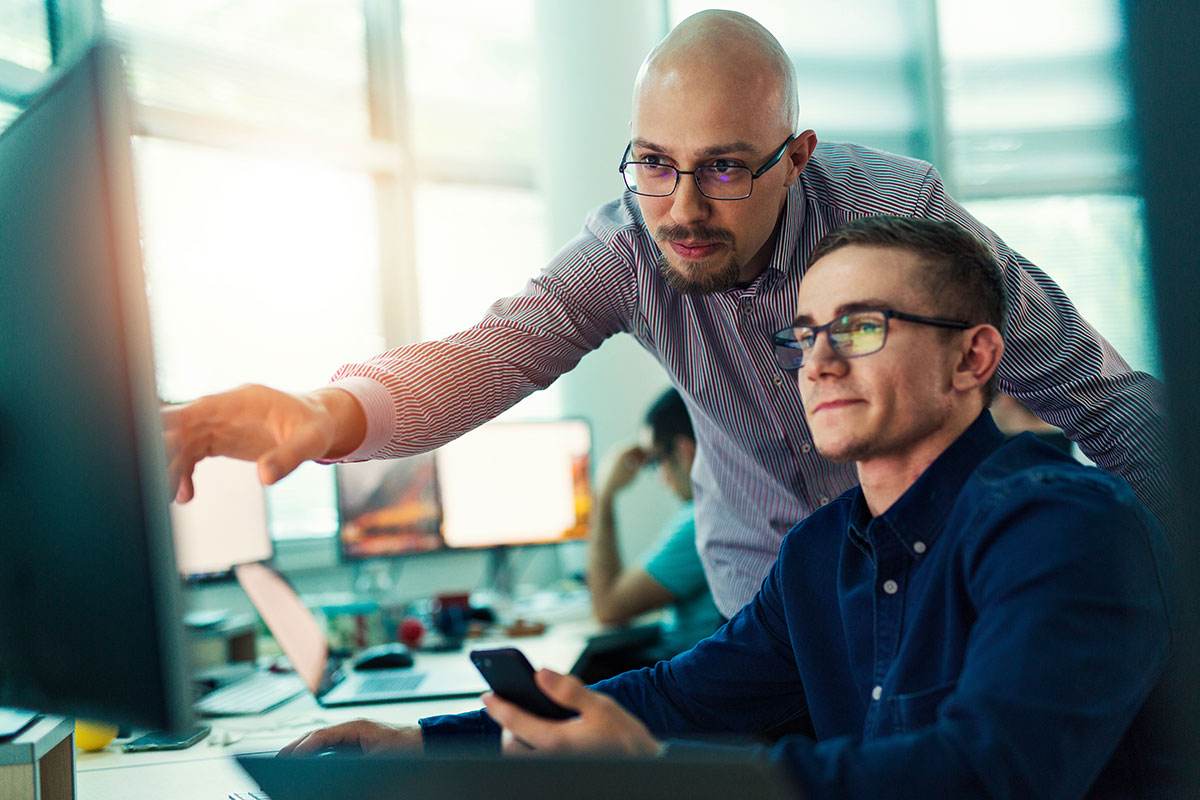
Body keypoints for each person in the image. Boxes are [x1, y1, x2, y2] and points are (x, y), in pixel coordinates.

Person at [163, 10, 1172, 620]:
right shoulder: (627, 249)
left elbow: (1082, 380)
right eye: (655, 163)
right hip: (766, 592)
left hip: (940, 571)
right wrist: (324, 410)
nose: (682, 209)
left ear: (799, 154)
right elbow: (494, 352)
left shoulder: (897, 209)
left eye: (727, 167)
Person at [279, 216, 1182, 799]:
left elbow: (989, 774)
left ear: (975, 358)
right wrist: (421, 742)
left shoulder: (1063, 524)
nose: (819, 362)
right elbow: (681, 695)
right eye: (807, 333)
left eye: (862, 328)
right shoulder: (823, 553)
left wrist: (654, 778)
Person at [580, 387, 723, 681]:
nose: (659, 478)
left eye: (656, 460)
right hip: (688, 667)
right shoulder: (719, 507)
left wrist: (604, 494)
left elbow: (608, 608)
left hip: (685, 677)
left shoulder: (703, 518)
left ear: (684, 451)